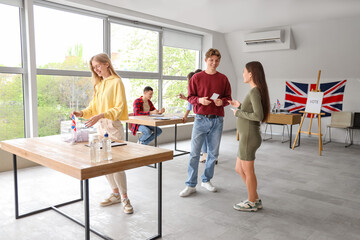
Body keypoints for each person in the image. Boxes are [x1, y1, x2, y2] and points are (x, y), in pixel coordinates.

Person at [72, 53, 133, 214]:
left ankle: (125, 198)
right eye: (93, 67)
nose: (96, 69)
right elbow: (93, 108)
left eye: (98, 65)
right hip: (100, 127)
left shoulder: (116, 82)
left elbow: (119, 107)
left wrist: (101, 115)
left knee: (117, 164)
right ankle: (115, 194)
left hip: (113, 126)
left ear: (107, 64)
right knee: (105, 163)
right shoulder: (98, 85)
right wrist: (81, 113)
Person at [179, 48, 232, 197]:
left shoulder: (223, 79)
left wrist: (222, 101)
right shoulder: (196, 78)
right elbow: (190, 97)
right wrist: (199, 100)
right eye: (211, 60)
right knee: (194, 154)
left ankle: (206, 180)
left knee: (213, 154)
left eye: (216, 61)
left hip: (217, 120)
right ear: (205, 60)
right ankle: (190, 185)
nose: (214, 63)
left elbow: (228, 98)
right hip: (201, 119)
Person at [228, 61, 270, 212]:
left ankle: (252, 202)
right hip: (246, 137)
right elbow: (252, 110)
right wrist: (240, 106)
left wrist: (238, 112)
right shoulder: (255, 91)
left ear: (251, 74)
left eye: (244, 71)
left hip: (249, 138)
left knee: (248, 170)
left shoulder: (254, 91)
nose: (243, 74)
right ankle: (255, 197)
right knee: (239, 169)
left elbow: (258, 115)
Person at [179, 69, 217, 164]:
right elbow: (193, 101)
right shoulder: (207, 86)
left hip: (204, 116)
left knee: (203, 137)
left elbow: (191, 103)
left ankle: (205, 155)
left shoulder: (199, 87)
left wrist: (185, 115)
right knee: (210, 138)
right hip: (212, 116)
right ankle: (210, 156)